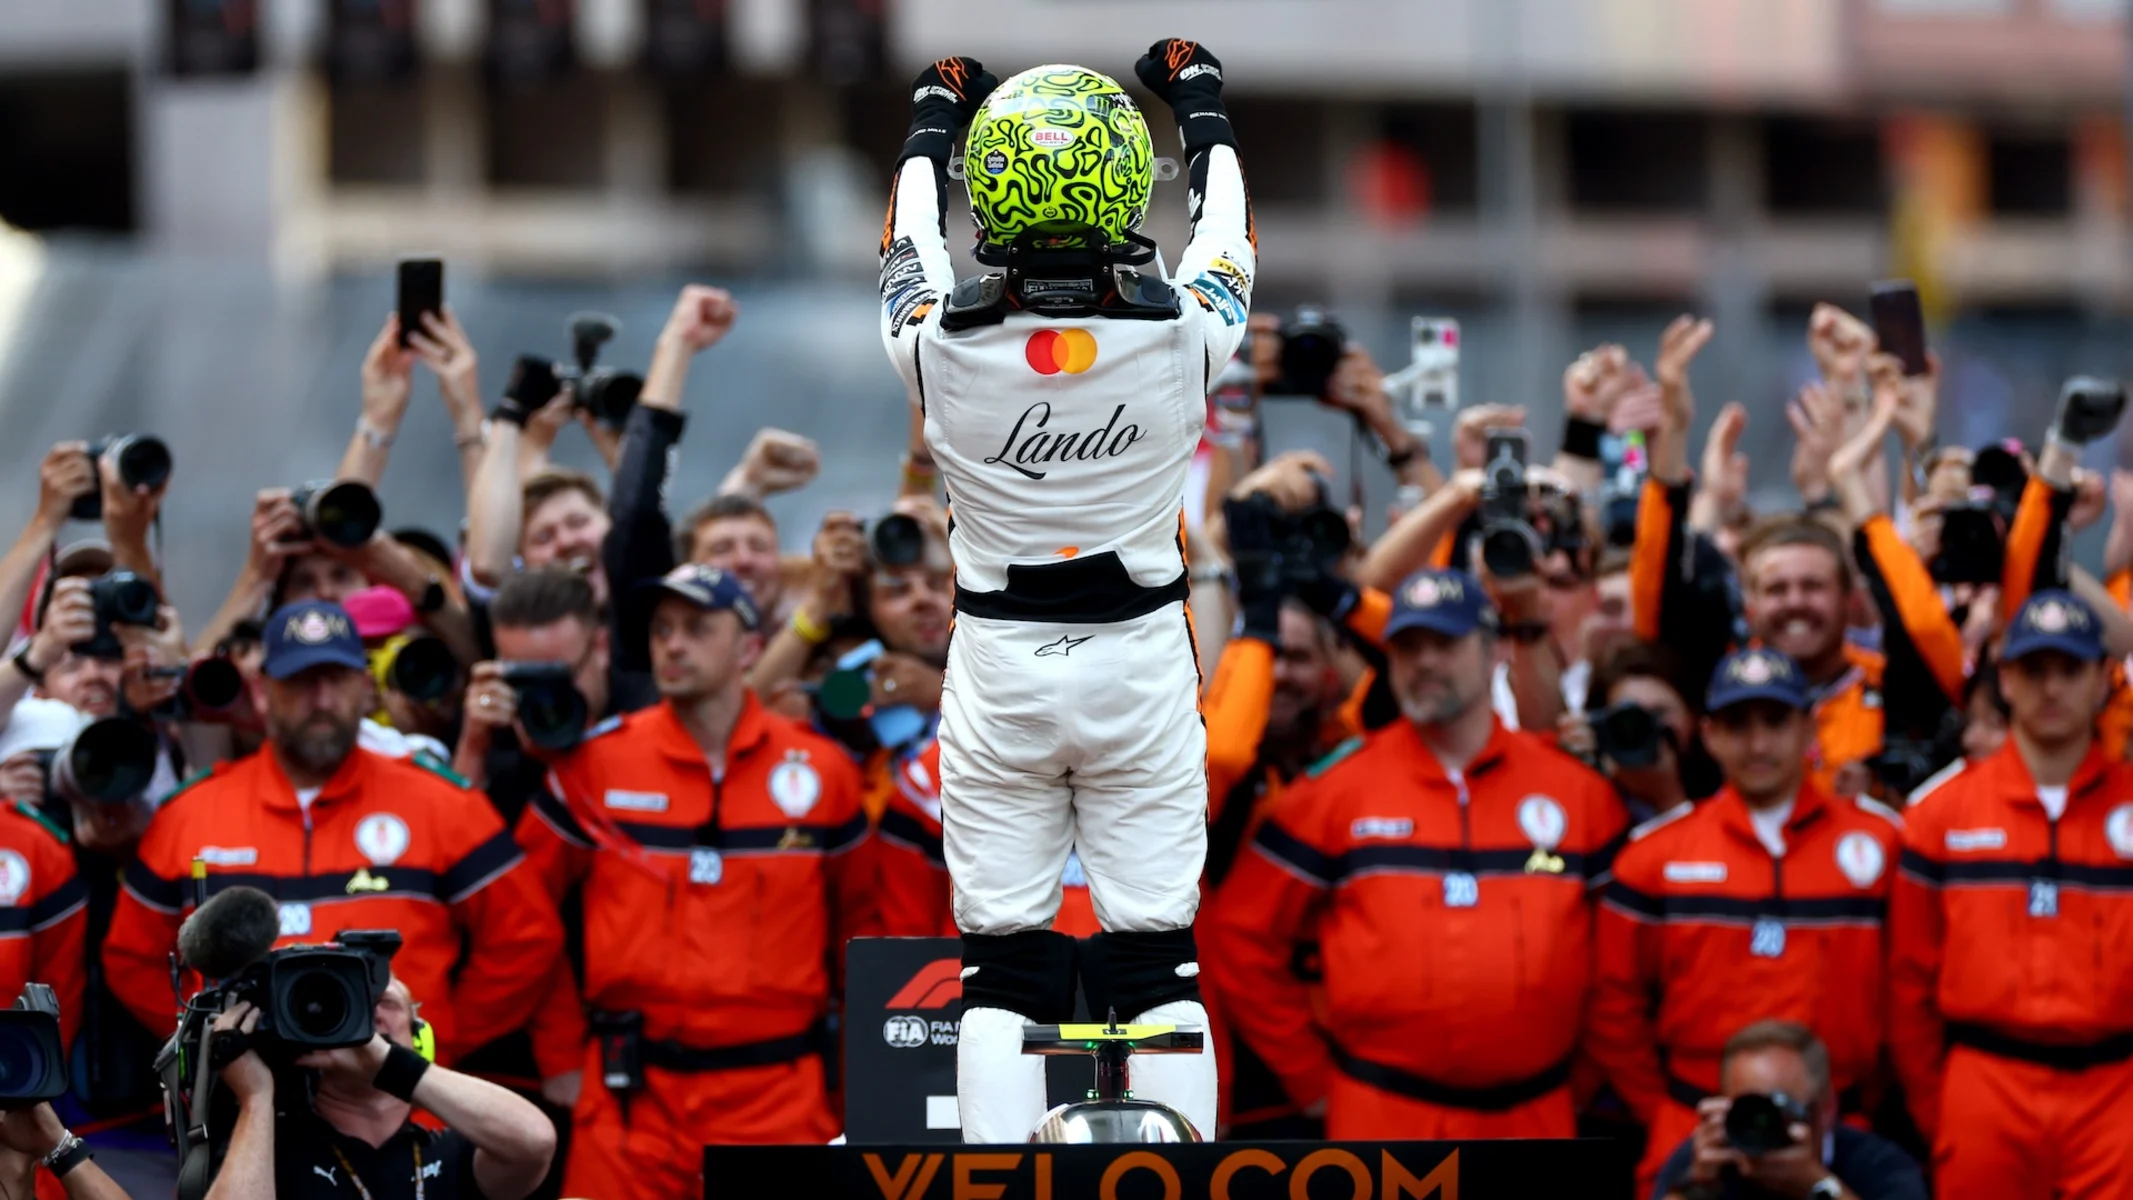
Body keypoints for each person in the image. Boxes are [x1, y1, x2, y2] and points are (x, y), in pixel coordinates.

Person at [878, 39, 1254, 1141]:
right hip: (1140, 664)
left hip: (998, 670)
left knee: (1000, 966)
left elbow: (905, 240)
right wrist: (1199, 99)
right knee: (1158, 956)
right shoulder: (1190, 334)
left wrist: (933, 114)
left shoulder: (930, 346)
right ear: (1126, 190)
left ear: (988, 195)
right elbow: (1228, 231)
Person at [1202, 568, 1627, 1139]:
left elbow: (1621, 964)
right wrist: (1310, 1080)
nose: (1424, 662)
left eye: (1444, 644)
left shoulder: (1576, 792)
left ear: (1493, 649)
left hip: (1537, 1118)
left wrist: (1584, 1080)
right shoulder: (1334, 791)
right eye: (1407, 646)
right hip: (1380, 1116)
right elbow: (1241, 935)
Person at [514, 563, 873, 1200]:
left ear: (750, 648)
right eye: (661, 630)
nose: (673, 645)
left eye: (696, 629)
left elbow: (865, 938)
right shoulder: (594, 766)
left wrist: (861, 1086)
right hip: (629, 1105)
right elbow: (521, 915)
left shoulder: (824, 773)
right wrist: (561, 1053)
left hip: (779, 1100)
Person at [101, 600, 562, 1063]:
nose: (321, 700)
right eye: (301, 681)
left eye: (336, 680)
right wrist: (208, 1045)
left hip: (400, 1095)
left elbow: (527, 938)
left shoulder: (440, 802)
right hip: (244, 1097)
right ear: (262, 690)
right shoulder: (190, 813)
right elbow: (131, 958)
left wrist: (439, 1040)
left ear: (365, 687)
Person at [1590, 646, 1904, 1197]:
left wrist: (1860, 1099)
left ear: (1810, 728)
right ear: (1709, 735)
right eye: (1738, 725)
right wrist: (1660, 1106)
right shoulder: (1655, 857)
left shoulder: (1879, 846)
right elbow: (1613, 1005)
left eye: (1775, 722)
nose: (1758, 744)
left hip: (1835, 1130)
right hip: (1695, 1122)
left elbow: (1907, 991)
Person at [1890, 589, 2133, 1200]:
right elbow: (1908, 980)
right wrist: (1937, 1105)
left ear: (2103, 679)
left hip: (2117, 1091)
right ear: (2005, 679)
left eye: (2070, 670)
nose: (2051, 688)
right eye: (2034, 669)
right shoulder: (1941, 815)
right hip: (1985, 1088)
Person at [207, 976, 556, 1200]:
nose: (367, 1020)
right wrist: (256, 1098)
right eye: (348, 1007)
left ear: (419, 1039)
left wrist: (389, 1064)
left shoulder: (455, 1153)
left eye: (384, 1002)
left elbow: (534, 1141)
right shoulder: (266, 1153)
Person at [1653, 1020, 1926, 1200]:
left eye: (1779, 1107)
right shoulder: (1708, 1159)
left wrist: (1816, 1185)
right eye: (1749, 1108)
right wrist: (1699, 1187)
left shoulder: (1880, 1165)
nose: (1763, 1125)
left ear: (1826, 1109)